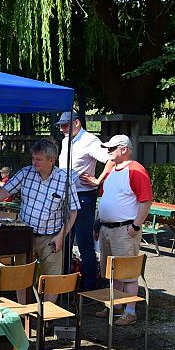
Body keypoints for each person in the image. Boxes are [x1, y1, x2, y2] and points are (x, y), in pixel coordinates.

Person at [0, 139, 80, 303]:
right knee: (21, 276)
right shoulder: (26, 173)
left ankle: (44, 319)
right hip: (25, 234)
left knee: (52, 279)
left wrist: (61, 236)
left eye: (38, 159)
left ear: (51, 160)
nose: (34, 162)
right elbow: (5, 190)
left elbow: (73, 212)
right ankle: (24, 314)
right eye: (33, 158)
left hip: (51, 237)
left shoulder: (64, 180)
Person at [94, 134, 152, 326]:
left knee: (127, 273)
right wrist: (98, 225)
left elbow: (145, 200)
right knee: (112, 271)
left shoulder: (136, 170)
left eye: (112, 148)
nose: (108, 152)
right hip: (107, 229)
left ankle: (130, 310)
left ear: (124, 149)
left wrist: (135, 226)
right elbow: (104, 198)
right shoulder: (112, 171)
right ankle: (115, 305)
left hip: (124, 229)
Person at [57, 110, 114, 291]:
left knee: (83, 241)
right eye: (60, 126)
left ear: (77, 123)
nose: (61, 129)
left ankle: (89, 285)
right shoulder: (67, 140)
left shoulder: (90, 140)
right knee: (65, 238)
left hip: (83, 197)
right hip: (66, 195)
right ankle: (65, 281)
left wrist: (98, 181)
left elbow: (111, 159)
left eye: (65, 125)